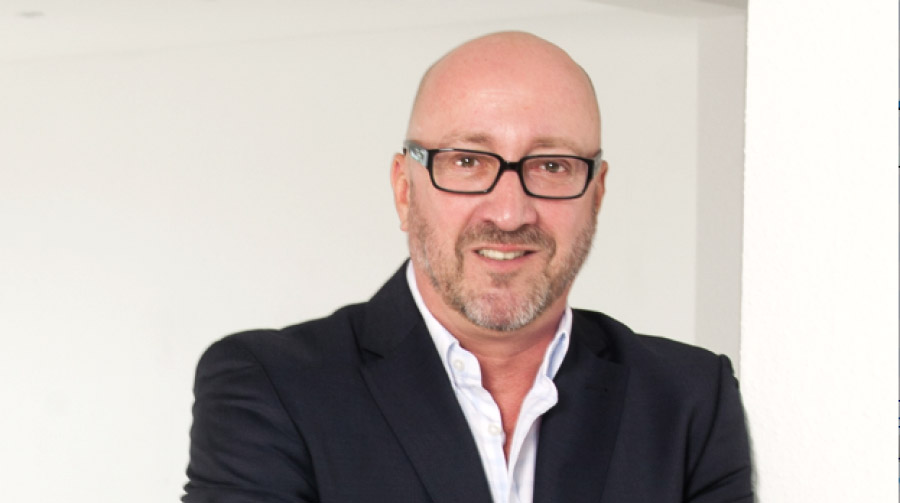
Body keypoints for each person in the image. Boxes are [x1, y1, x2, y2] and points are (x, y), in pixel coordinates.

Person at [183, 31, 753, 503]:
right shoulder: (272, 386)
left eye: (552, 165)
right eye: (467, 162)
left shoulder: (689, 400)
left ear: (597, 194)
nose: (509, 213)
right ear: (405, 190)